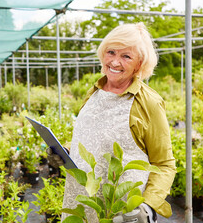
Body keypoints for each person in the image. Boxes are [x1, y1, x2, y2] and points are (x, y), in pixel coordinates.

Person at [48, 22, 176, 223]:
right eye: (111, 52)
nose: (115, 62)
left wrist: (147, 206)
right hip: (81, 206)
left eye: (126, 56)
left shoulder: (148, 102)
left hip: (124, 214)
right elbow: (92, 139)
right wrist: (65, 152)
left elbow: (164, 164)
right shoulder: (94, 93)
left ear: (139, 63)